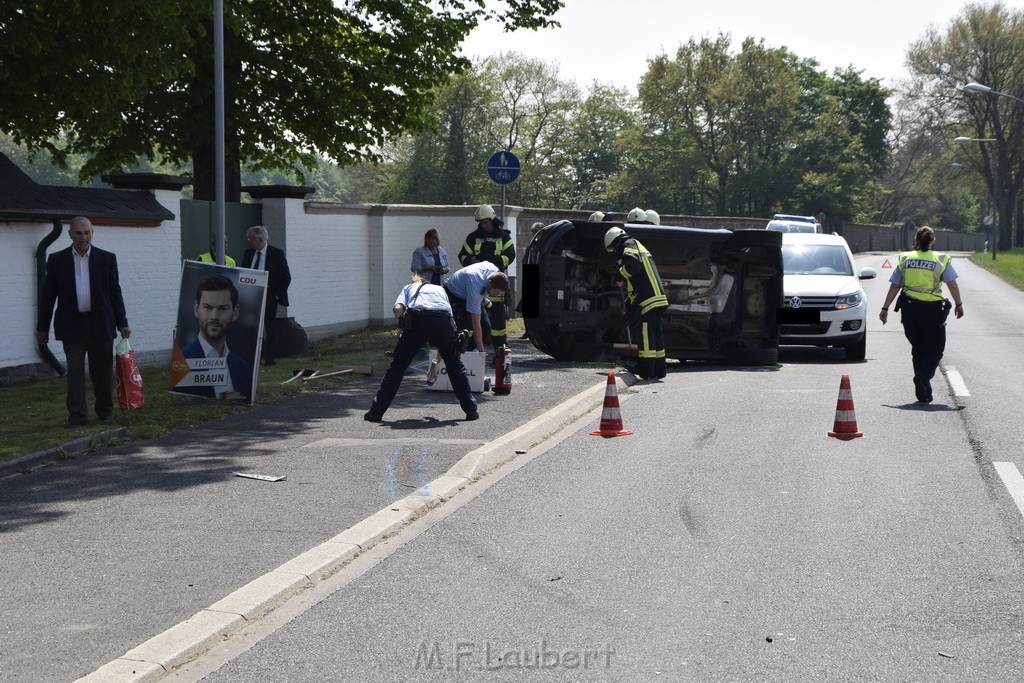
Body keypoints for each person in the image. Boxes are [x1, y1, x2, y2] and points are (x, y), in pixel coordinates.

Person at [35, 216, 131, 426]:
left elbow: (115, 293)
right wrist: (42, 328)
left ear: (92, 233)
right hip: (72, 325)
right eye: (78, 233)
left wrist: (122, 322)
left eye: (86, 232)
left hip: (101, 325)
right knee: (75, 373)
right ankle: (77, 415)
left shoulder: (106, 259)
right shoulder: (57, 260)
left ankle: (105, 411)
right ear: (70, 235)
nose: (83, 237)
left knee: (102, 371)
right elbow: (48, 297)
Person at [365, 276, 478, 422]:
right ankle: (471, 410)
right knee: (455, 366)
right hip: (443, 322)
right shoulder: (440, 289)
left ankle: (376, 412)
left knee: (398, 366)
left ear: (415, 282)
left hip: (418, 321)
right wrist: (440, 356)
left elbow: (397, 308)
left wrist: (401, 333)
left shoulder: (408, 288)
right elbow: (449, 316)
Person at [879, 226, 964, 403]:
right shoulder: (940, 259)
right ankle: (923, 376)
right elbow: (952, 284)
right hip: (931, 310)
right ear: (932, 240)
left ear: (916, 239)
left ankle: (924, 390)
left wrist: (885, 308)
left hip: (909, 310)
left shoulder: (906, 258)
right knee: (936, 348)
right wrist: (958, 304)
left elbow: (895, 285)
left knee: (918, 348)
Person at [604, 226, 669, 380]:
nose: (614, 251)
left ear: (616, 241)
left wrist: (619, 276)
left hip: (647, 299)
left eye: (613, 247)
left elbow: (632, 265)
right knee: (655, 336)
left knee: (645, 334)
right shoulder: (637, 244)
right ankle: (659, 369)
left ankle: (645, 369)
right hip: (655, 297)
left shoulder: (628, 244)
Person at [177, 275, 253, 401]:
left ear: (235, 313)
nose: (214, 316)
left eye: (223, 309)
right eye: (207, 307)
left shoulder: (244, 369)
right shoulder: (181, 363)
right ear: (196, 309)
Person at [458, 204, 515, 351]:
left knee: (498, 325)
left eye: (486, 222)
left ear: (492, 219)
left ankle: (500, 352)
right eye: (481, 223)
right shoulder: (473, 237)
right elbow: (462, 256)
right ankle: (469, 351)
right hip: (476, 289)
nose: (484, 225)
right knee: (473, 322)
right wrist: (471, 260)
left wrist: (491, 261)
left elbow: (510, 256)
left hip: (495, 288)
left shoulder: (503, 236)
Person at [242, 225, 291, 366]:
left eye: (251, 238)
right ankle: (250, 356)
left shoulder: (276, 253)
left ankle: (270, 358)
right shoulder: (248, 253)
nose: (249, 241)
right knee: (250, 326)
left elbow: (286, 277)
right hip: (251, 294)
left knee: (269, 327)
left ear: (260, 238)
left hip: (269, 294)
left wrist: (276, 295)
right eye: (248, 239)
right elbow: (243, 272)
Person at [444, 262, 510, 354]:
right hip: (454, 293)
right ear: (490, 283)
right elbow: (476, 323)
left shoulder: (494, 271)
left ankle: (471, 353)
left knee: (486, 327)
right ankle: (455, 355)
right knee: (463, 326)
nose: (496, 295)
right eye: (495, 293)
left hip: (470, 290)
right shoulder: (476, 287)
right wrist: (481, 349)